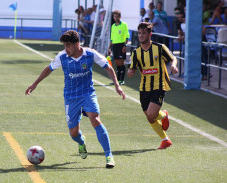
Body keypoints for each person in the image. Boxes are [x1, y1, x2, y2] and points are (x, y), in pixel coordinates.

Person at [25, 30, 126, 168]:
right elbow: (48, 68)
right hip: (71, 97)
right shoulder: (62, 56)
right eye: (65, 46)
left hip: (88, 93)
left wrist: (117, 85)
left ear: (77, 44)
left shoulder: (90, 54)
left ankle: (109, 155)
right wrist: (34, 84)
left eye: (68, 45)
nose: (66, 49)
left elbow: (108, 67)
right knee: (73, 133)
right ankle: (81, 142)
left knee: (95, 119)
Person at [127, 22, 179, 149]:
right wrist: (130, 72)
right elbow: (132, 69)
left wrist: (173, 65)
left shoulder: (160, 47)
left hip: (158, 86)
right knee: (150, 118)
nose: (140, 35)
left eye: (143, 33)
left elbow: (173, 58)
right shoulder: (136, 52)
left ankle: (164, 116)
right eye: (139, 33)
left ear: (149, 34)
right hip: (144, 88)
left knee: (151, 114)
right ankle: (165, 139)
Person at [108, 10, 130, 85]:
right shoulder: (113, 26)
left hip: (121, 45)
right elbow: (112, 38)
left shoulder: (124, 25)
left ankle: (122, 80)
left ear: (120, 17)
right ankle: (117, 80)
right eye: (114, 16)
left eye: (117, 16)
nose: (115, 18)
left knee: (121, 62)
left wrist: (125, 45)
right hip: (115, 46)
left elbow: (127, 36)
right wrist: (109, 48)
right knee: (117, 63)